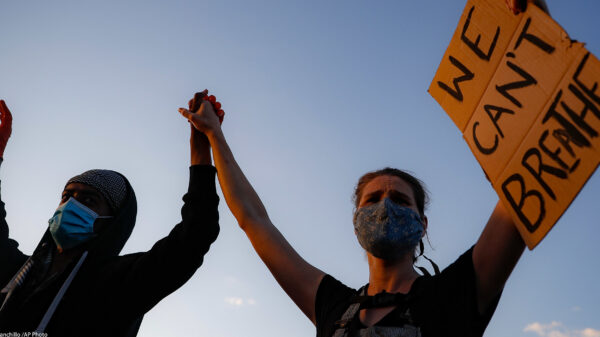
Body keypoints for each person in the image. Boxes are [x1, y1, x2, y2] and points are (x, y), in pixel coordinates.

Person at [177, 3, 550, 336]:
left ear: (423, 223)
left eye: (400, 200)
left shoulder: (457, 292)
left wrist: (537, 31)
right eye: (373, 198)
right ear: (356, 218)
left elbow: (524, 175)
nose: (385, 206)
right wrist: (212, 137)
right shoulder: (331, 305)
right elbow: (253, 219)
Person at [0, 96, 220, 336]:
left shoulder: (121, 284)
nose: (71, 205)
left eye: (89, 200)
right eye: (66, 196)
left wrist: (200, 145)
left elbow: (194, 237)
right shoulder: (15, 271)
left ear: (112, 222)